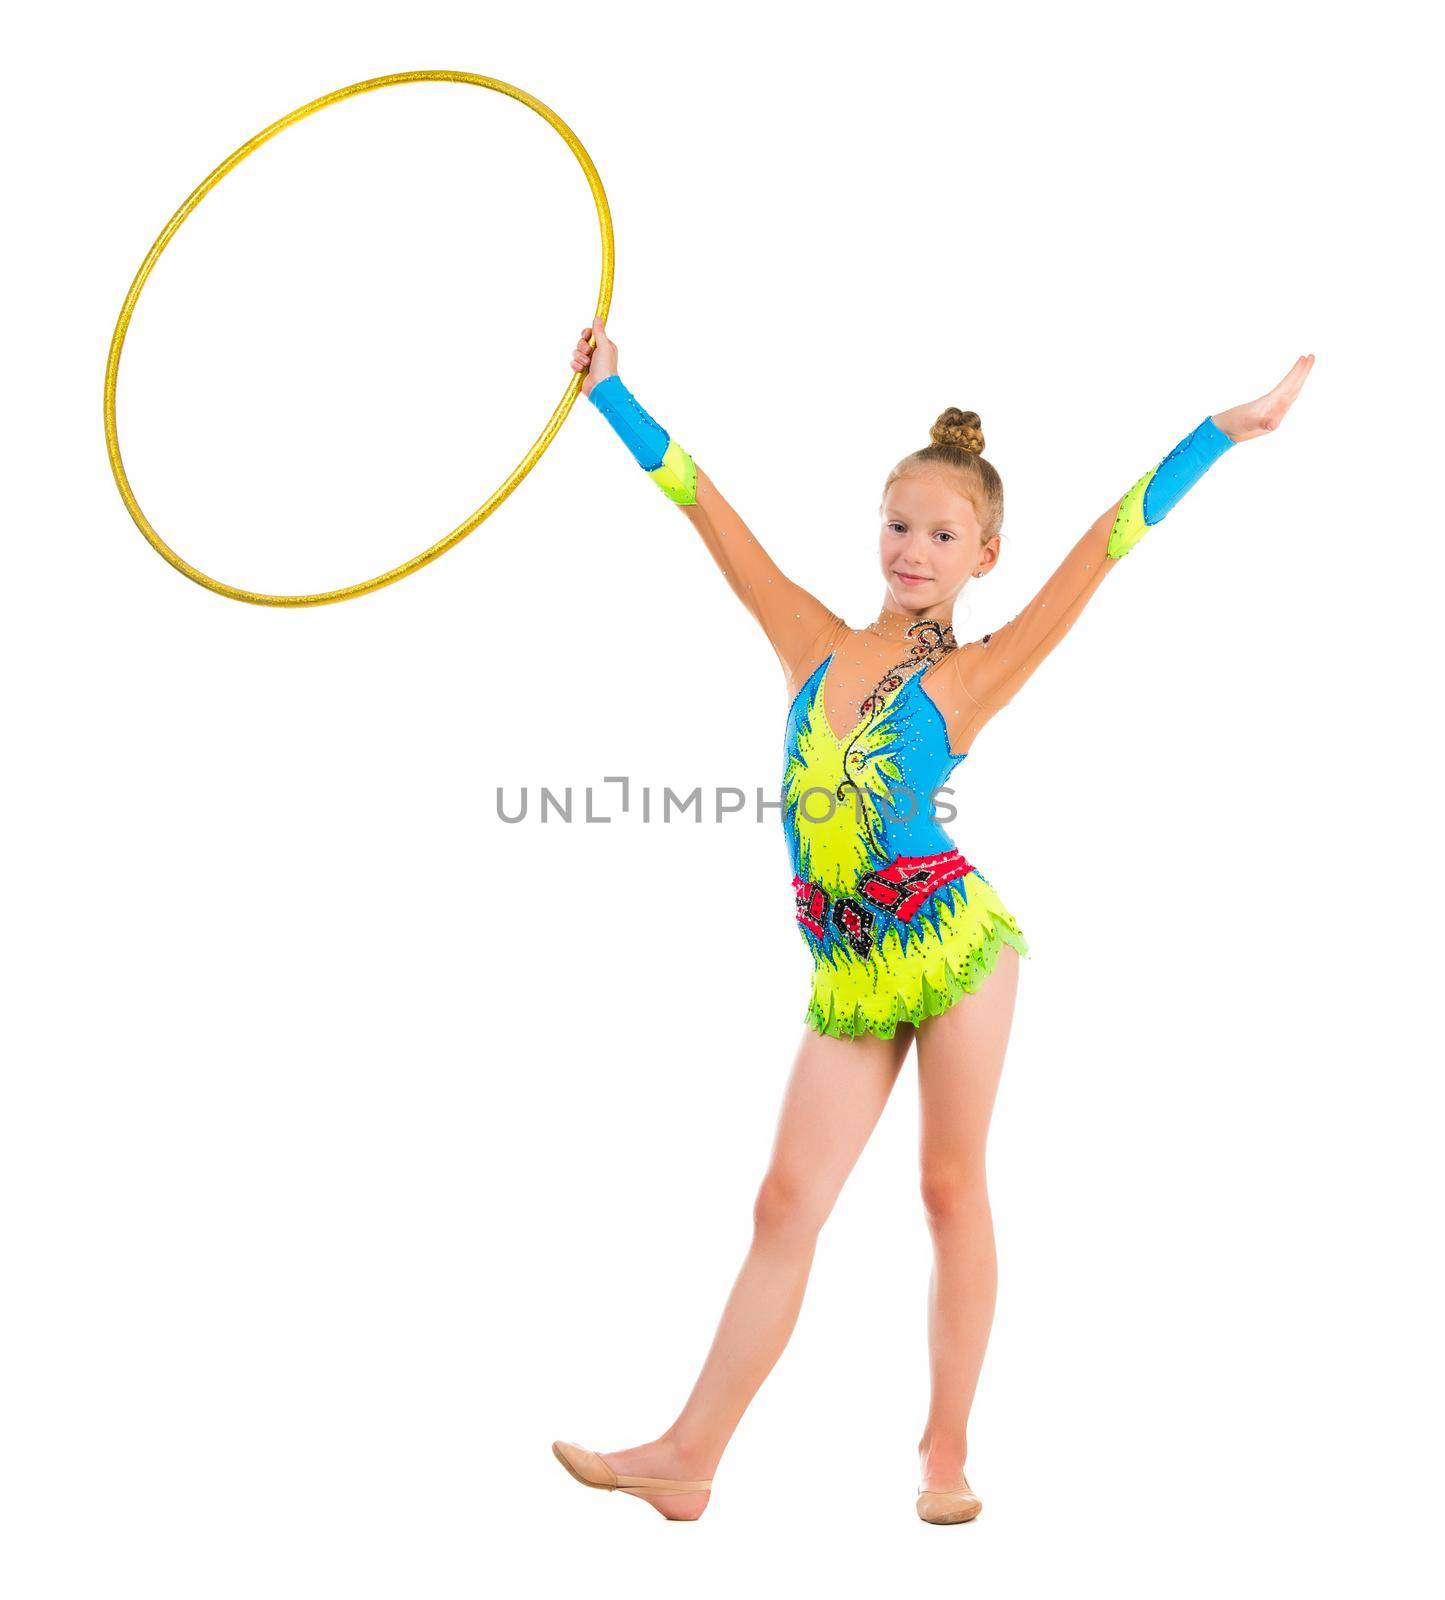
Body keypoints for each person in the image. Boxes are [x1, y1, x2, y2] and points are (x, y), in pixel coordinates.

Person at [551, 319, 1313, 1523]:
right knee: (782, 1203)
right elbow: (708, 514)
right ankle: (686, 1456)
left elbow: (1101, 550)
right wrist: (609, 395)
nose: (914, 548)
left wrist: (1215, 434)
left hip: (951, 951)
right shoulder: (812, 643)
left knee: (948, 1187)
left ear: (981, 555)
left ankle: (943, 1452)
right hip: (849, 966)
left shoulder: (969, 677)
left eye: (942, 535)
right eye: (898, 524)